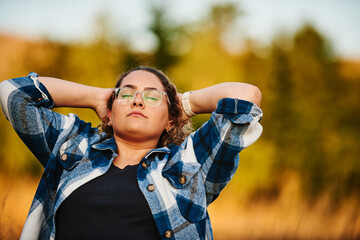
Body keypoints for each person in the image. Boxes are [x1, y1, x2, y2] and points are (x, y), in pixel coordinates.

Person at [0, 66, 263, 240]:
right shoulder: (75, 146)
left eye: (152, 97)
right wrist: (95, 96)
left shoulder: (190, 162)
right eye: (126, 94)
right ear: (110, 113)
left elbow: (246, 96)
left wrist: (185, 103)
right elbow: (12, 93)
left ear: (171, 120)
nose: (137, 100)